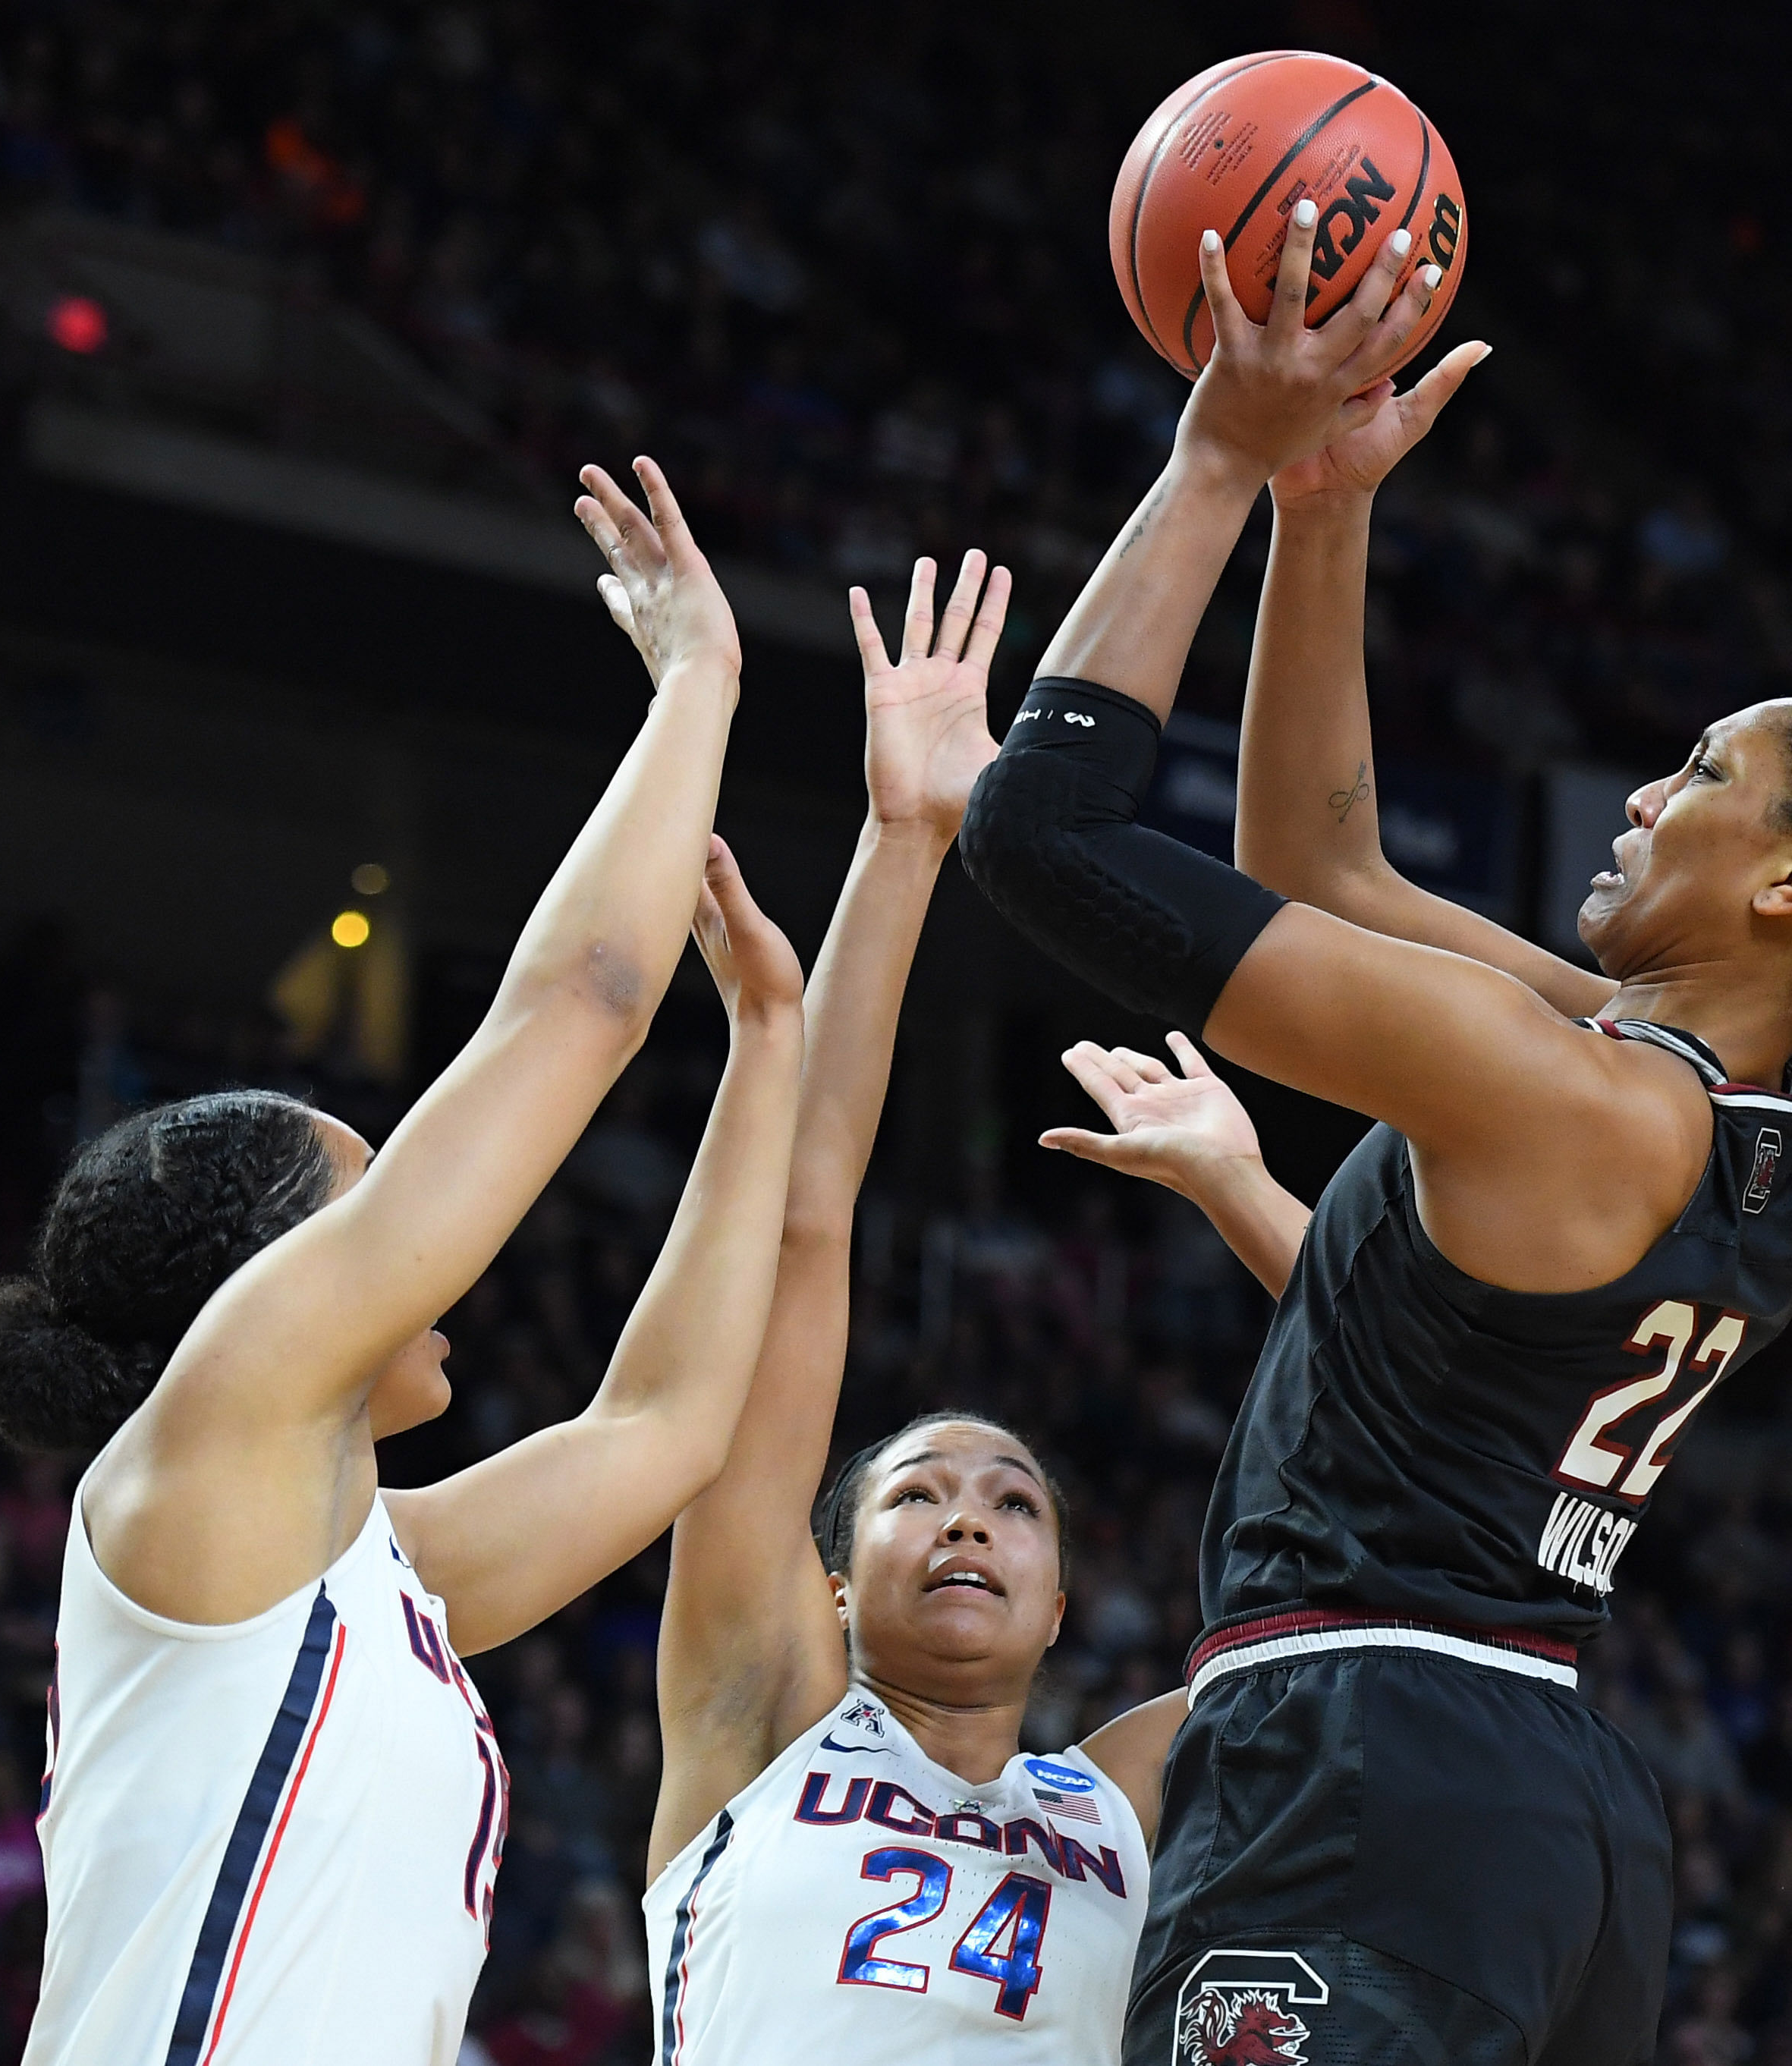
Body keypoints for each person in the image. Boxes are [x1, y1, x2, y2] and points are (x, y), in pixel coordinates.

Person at [962, 207, 1792, 2063]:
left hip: (1364, 1770)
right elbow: (1320, 870)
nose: (1644, 790)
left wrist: (1215, 451)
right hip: (1543, 1806)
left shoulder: (1557, 1081)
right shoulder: (1761, 1138)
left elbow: (1043, 834)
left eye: (1698, 772)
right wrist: (1323, 505)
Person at [0, 458, 810, 2066]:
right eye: (366, 1202)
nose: (428, 1246)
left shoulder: (360, 1567)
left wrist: (768, 1041)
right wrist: (700, 680)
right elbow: (579, 1004)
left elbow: (667, 1431)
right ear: (269, 1287)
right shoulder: (207, 1451)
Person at [636, 550, 1186, 2064]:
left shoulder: (1116, 1795)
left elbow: (1362, 1610)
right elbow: (801, 1235)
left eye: (1012, 1504)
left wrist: (1262, 1207)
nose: (965, 1520)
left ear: (1063, 1604)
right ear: (826, 1583)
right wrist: (905, 841)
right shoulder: (769, 1709)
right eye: (918, 1495)